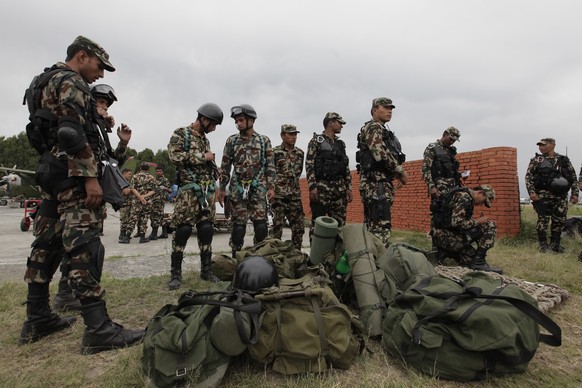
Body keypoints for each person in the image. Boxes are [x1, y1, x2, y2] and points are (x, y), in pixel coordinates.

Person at [19, 36, 144, 353]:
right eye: (99, 66)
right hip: (74, 176)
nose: (101, 74)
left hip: (51, 172)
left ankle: (37, 318)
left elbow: (44, 130)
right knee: (83, 247)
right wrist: (90, 179)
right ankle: (99, 329)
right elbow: (71, 131)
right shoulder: (71, 81)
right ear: (82, 56)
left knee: (46, 244)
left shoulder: (42, 81)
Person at [167, 103, 224, 290]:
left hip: (206, 192)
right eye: (213, 124)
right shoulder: (181, 133)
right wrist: (203, 157)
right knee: (183, 229)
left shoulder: (205, 139)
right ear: (204, 119)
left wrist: (216, 170)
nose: (214, 128)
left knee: (206, 229)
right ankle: (175, 274)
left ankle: (206, 271)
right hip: (189, 192)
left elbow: (205, 162)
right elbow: (174, 157)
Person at [217, 104, 276, 258]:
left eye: (241, 120)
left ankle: (260, 258)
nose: (238, 123)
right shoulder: (232, 141)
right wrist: (222, 188)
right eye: (236, 121)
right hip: (238, 188)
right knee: (238, 227)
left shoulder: (264, 141)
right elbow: (225, 165)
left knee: (261, 226)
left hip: (258, 189)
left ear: (251, 120)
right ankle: (236, 258)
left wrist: (271, 188)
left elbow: (270, 165)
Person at [357, 98, 407, 246]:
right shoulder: (373, 127)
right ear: (374, 110)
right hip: (376, 184)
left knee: (372, 227)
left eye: (391, 108)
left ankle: (370, 263)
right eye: (385, 108)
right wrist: (400, 171)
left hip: (379, 183)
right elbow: (380, 154)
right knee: (380, 228)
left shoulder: (382, 129)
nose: (389, 111)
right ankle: (379, 264)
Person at [431, 185, 503, 273]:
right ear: (479, 193)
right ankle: (478, 262)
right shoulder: (464, 197)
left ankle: (448, 252)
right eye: (483, 201)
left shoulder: (462, 194)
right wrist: (477, 221)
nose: (481, 204)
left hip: (444, 237)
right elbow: (456, 222)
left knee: (470, 259)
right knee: (490, 225)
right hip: (447, 238)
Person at [525, 138, 579, 252]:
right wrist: (532, 193)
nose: (541, 147)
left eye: (543, 145)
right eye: (539, 145)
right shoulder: (537, 160)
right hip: (543, 195)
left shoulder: (563, 160)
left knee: (559, 221)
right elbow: (529, 177)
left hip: (561, 196)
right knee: (543, 220)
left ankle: (555, 245)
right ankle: (543, 245)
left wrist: (574, 194)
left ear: (552, 145)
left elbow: (573, 177)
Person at [305, 112, 352, 239]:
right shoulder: (316, 141)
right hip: (322, 188)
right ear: (330, 123)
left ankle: (336, 255)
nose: (341, 126)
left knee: (340, 225)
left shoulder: (340, 144)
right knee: (318, 222)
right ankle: (316, 256)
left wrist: (349, 188)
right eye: (339, 123)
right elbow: (309, 164)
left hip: (340, 189)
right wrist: (312, 186)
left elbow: (345, 167)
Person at [270, 124, 305, 250]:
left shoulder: (300, 153)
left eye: (295, 134)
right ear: (282, 135)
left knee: (299, 228)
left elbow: (299, 172)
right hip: (278, 196)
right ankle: (274, 255)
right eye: (290, 134)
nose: (294, 137)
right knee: (276, 228)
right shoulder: (274, 152)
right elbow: (269, 172)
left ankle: (296, 255)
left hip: (294, 195)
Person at [422, 126, 462, 199]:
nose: (452, 142)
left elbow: (451, 169)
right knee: (441, 209)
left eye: (454, 141)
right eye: (451, 139)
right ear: (444, 134)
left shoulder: (451, 151)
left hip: (454, 187)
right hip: (440, 188)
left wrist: (461, 175)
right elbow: (426, 169)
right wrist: (432, 187)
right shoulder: (433, 148)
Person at [128, 163, 156, 243]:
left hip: (136, 200)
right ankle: (142, 237)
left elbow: (132, 188)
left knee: (133, 217)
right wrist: (144, 196)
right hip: (147, 201)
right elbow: (154, 190)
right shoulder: (151, 177)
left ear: (140, 168)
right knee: (144, 218)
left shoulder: (135, 176)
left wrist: (139, 197)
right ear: (148, 169)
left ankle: (126, 237)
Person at [118, 168, 146, 244]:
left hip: (128, 203)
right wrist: (134, 190)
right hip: (124, 203)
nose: (130, 176)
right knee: (124, 219)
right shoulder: (121, 181)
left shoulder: (127, 182)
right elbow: (126, 192)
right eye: (129, 174)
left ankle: (124, 234)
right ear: (124, 173)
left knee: (127, 219)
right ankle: (122, 234)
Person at [148, 167, 172, 240]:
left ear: (163, 172)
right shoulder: (154, 179)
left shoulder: (165, 180)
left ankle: (154, 234)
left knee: (156, 215)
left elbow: (170, 190)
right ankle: (164, 233)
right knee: (160, 216)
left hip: (160, 200)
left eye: (160, 171)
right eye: (157, 171)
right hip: (154, 200)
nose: (158, 172)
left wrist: (165, 188)